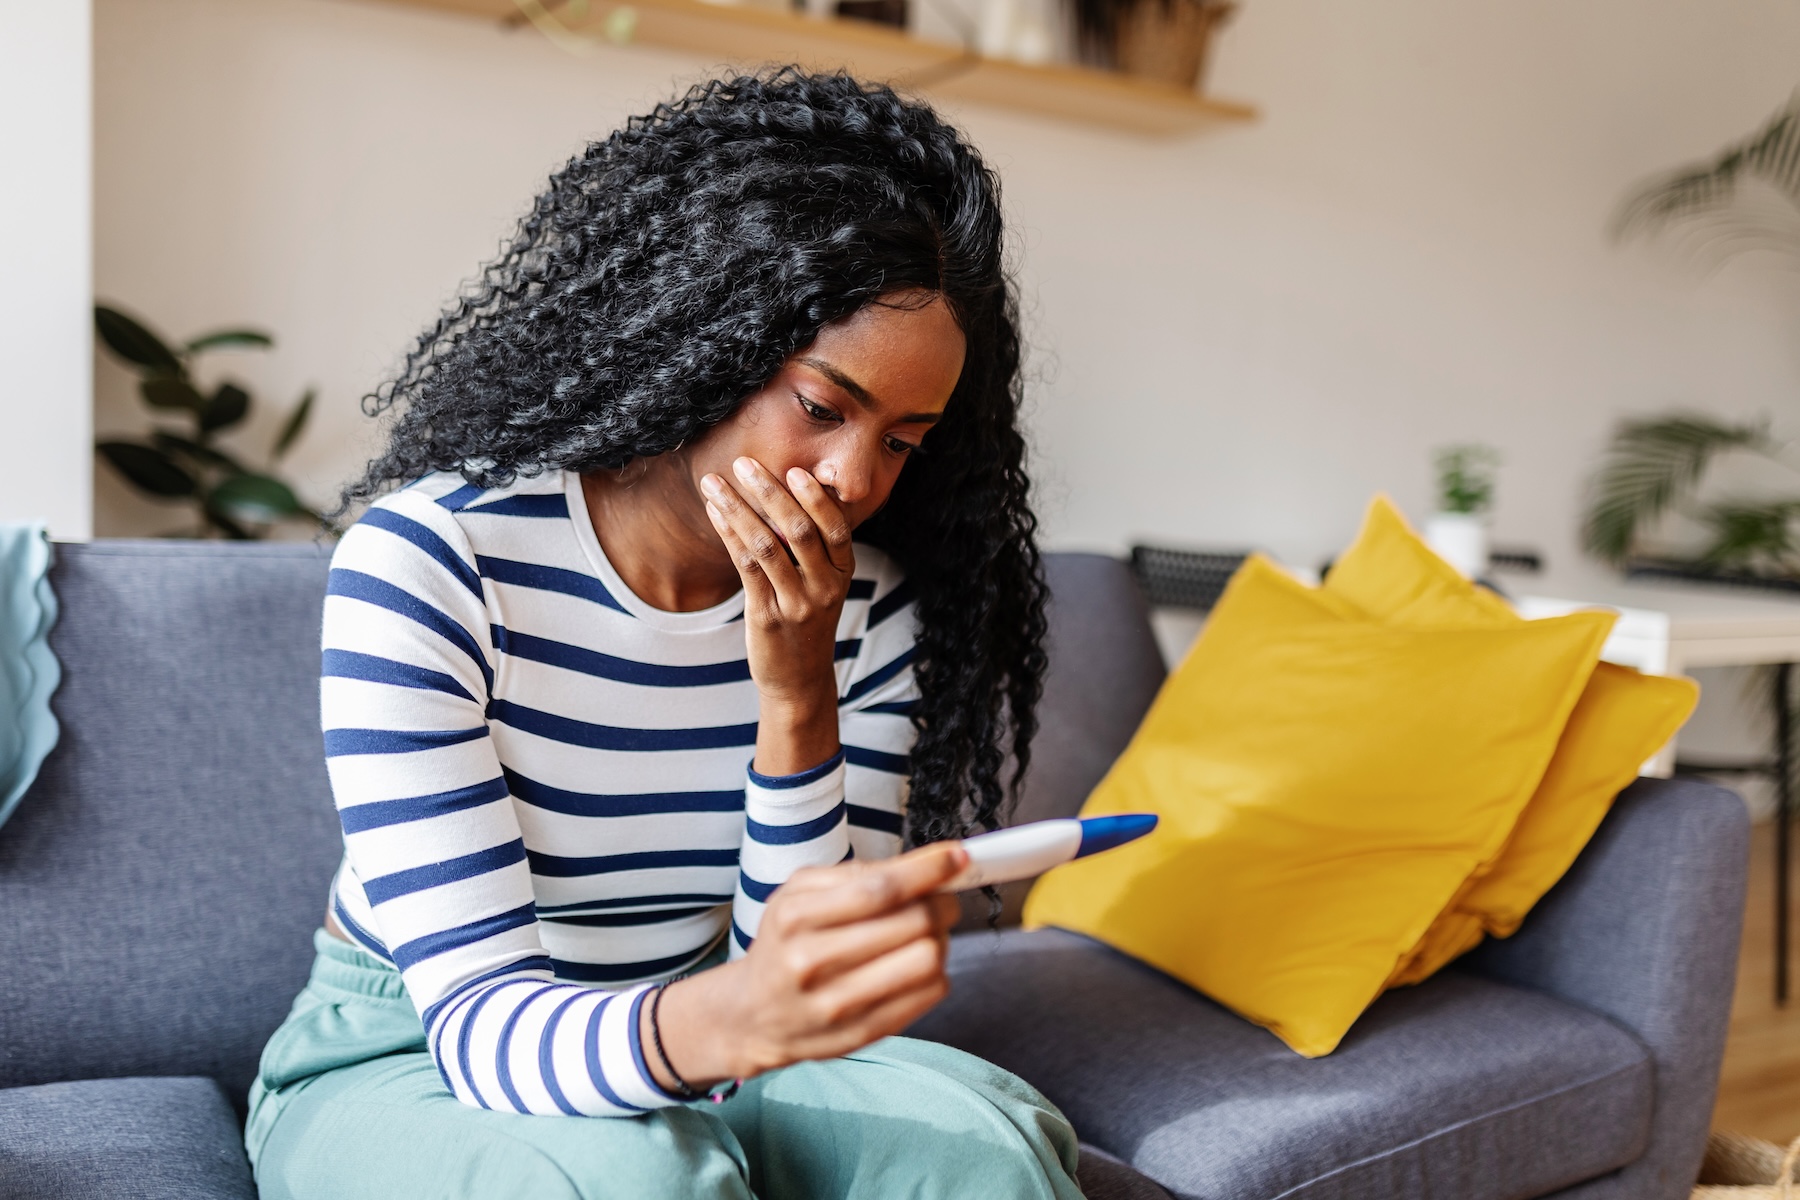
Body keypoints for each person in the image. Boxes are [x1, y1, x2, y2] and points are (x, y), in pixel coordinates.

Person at [245, 68, 1082, 1200]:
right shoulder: (434, 562)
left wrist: (796, 698)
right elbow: (486, 1028)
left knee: (990, 1149)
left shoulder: (869, 606)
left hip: (721, 1044)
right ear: (709, 344)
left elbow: (795, 1001)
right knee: (639, 1181)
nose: (852, 476)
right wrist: (729, 1027)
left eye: (903, 441)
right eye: (825, 408)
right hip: (415, 1052)